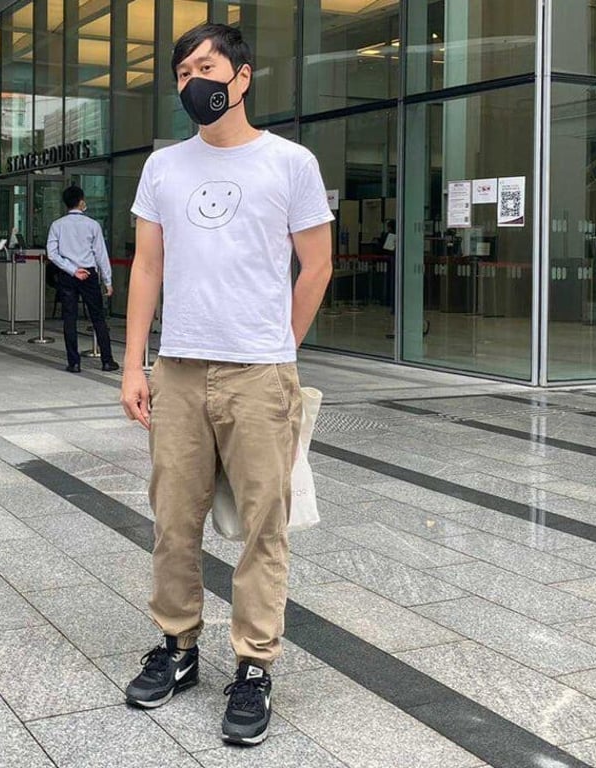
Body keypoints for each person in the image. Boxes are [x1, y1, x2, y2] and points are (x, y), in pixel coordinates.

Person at [119, 23, 333, 746]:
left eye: (205, 67)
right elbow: (146, 268)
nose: (192, 82)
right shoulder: (163, 168)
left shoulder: (290, 163)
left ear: (242, 76)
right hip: (177, 370)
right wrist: (132, 362)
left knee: (260, 528)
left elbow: (318, 266)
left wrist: (279, 349)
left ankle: (253, 666)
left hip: (259, 374)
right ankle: (178, 648)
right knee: (172, 521)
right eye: (181, 73)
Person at [46, 186, 118, 372]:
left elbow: (52, 254)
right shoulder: (93, 225)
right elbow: (101, 254)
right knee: (98, 318)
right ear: (81, 201)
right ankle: (107, 361)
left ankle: (74, 362)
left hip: (68, 276)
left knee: (69, 318)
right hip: (89, 275)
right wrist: (108, 281)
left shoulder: (57, 225)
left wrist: (71, 269)